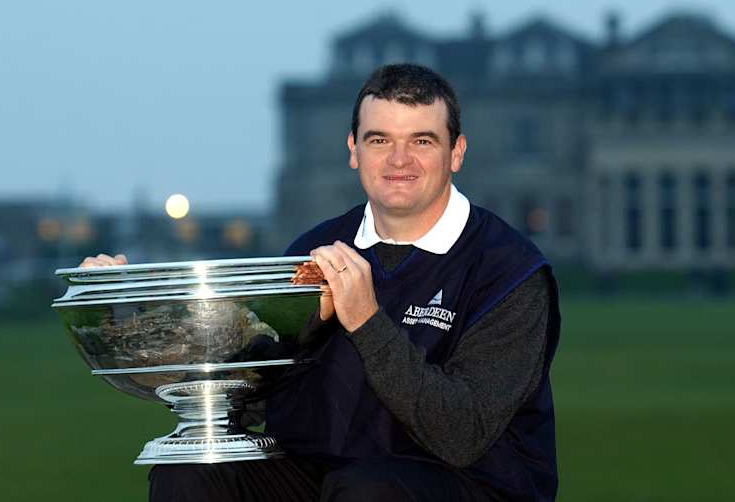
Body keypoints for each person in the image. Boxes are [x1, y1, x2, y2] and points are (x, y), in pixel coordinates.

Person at [82, 64, 560, 502]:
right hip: (326, 475)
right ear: (353, 151)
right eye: (379, 140)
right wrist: (126, 312)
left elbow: (461, 433)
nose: (399, 160)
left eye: (421, 141)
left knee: (366, 492)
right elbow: (242, 395)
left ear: (455, 152)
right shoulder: (313, 248)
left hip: (468, 482)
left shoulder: (509, 272)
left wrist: (367, 320)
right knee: (191, 471)